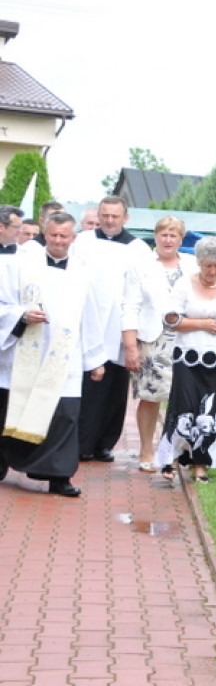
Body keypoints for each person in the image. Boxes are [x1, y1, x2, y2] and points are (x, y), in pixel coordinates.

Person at [0, 212, 106, 497]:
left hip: (65, 358)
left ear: (73, 238)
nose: (59, 241)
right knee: (10, 409)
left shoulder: (83, 272)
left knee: (63, 416)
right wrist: (21, 316)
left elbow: (91, 316)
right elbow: (3, 303)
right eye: (54, 234)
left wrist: (95, 360)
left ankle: (58, 478)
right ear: (44, 234)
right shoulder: (20, 266)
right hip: (23, 352)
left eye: (65, 236)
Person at [156, 237, 216, 483]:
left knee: (213, 411)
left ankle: (201, 464)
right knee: (184, 407)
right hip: (188, 355)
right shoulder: (184, 284)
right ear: (198, 263)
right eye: (207, 265)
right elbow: (171, 320)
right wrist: (202, 324)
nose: (212, 271)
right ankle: (172, 458)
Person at [74, 195, 151, 462]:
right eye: (105, 215)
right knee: (87, 387)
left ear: (125, 218)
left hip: (120, 327)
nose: (109, 220)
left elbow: (141, 289)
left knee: (115, 390)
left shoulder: (138, 248)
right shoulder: (83, 241)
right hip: (88, 322)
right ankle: (81, 443)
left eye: (114, 216)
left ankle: (104, 444)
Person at [122, 216, 197, 472]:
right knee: (151, 396)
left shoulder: (191, 265)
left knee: (186, 397)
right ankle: (146, 449)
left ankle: (178, 449)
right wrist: (130, 345)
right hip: (153, 339)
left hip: (187, 339)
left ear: (181, 239)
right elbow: (130, 305)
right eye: (163, 234)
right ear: (155, 237)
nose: (168, 239)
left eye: (173, 235)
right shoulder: (141, 265)